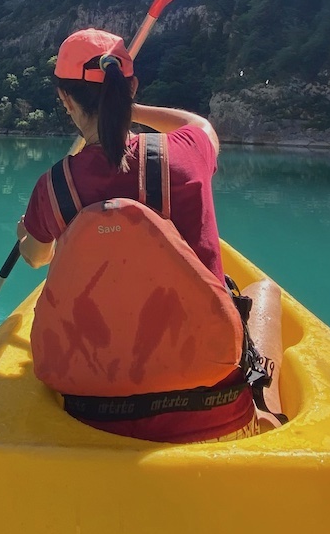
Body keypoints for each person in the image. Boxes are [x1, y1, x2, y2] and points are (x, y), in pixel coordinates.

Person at [17, 27, 286, 443]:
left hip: (92, 413)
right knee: (264, 291)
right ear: (131, 88)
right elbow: (199, 124)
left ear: (64, 99)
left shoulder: (53, 187)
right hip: (213, 413)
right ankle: (263, 407)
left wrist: (24, 232)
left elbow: (36, 257)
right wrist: (130, 107)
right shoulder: (186, 154)